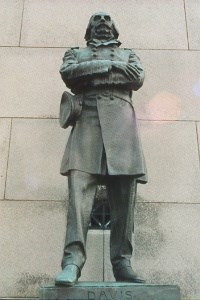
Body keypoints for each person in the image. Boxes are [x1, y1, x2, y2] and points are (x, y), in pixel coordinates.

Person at [55, 12, 147, 286]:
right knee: (78, 191)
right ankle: (72, 262)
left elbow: (137, 78)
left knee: (124, 195)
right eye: (97, 19)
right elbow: (69, 75)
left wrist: (94, 74)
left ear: (114, 28)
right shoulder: (76, 53)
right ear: (89, 28)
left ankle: (122, 263)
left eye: (107, 19)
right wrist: (111, 68)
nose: (103, 21)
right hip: (87, 122)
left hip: (122, 124)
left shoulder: (129, 54)